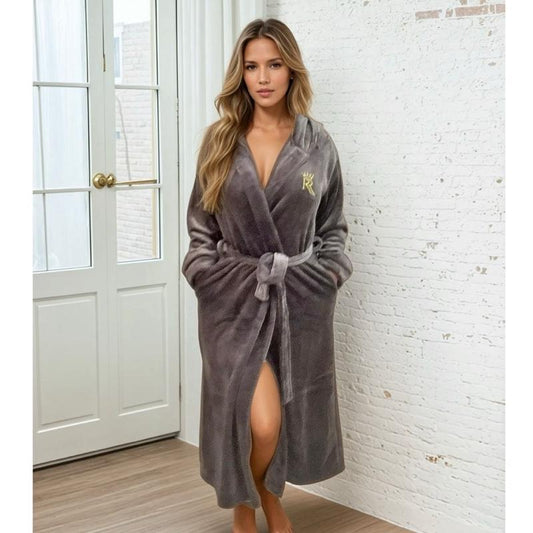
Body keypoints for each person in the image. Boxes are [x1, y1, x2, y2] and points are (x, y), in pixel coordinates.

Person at [182, 18, 353, 533]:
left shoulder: (317, 144)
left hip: (298, 303)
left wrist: (327, 274)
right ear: (241, 73)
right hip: (233, 304)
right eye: (252, 66)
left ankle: (263, 496)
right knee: (259, 421)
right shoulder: (221, 141)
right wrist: (206, 275)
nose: (263, 77)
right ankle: (249, 502)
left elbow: (332, 226)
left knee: (284, 417)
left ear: (291, 70)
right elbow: (201, 229)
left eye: (274, 65)